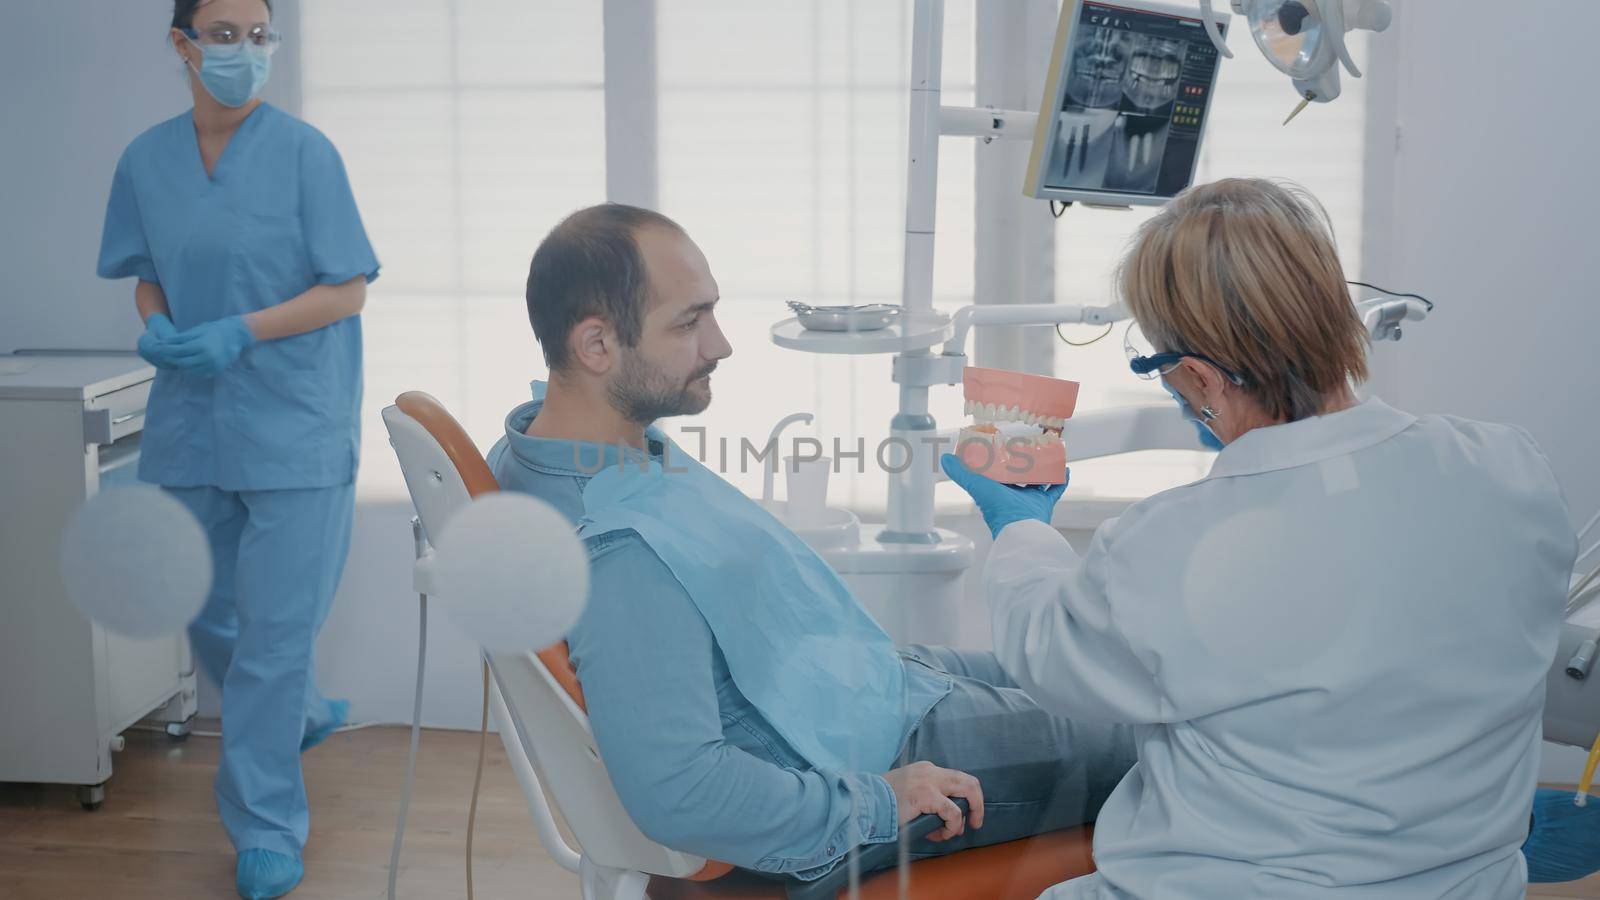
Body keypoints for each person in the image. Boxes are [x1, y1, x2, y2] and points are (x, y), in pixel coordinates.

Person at [942, 177, 1585, 897]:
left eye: (1161, 368)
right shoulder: (1508, 466)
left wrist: (1022, 528)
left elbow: (1050, 658)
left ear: (1198, 377)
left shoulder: (1177, 539)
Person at [486, 204, 1138, 882]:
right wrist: (882, 801)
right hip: (867, 754)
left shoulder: (544, 445)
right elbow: (682, 792)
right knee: (1163, 737)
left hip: (855, 686)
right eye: (688, 322)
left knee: (1099, 671)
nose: (719, 344)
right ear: (595, 346)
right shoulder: (621, 553)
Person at [95, 1, 379, 897]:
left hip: (296, 417)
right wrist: (160, 329)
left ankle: (265, 827)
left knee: (273, 638)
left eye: (260, 35)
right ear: (182, 44)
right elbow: (146, 278)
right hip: (192, 416)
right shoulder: (146, 160)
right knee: (202, 602)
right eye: (223, 33)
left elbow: (348, 291)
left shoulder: (306, 155)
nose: (244, 50)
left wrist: (241, 333)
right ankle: (295, 710)